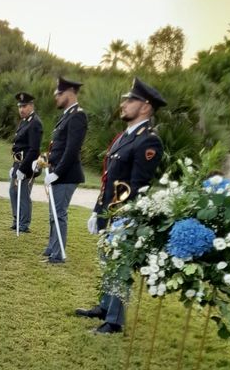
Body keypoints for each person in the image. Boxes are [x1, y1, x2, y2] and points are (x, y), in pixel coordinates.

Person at [76, 77, 166, 334]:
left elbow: (137, 186)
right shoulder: (123, 137)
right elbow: (108, 179)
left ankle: (114, 322)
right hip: (109, 212)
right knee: (107, 262)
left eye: (130, 100)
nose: (123, 104)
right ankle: (105, 307)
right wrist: (97, 210)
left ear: (146, 107)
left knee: (119, 267)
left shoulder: (148, 140)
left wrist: (121, 218)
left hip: (125, 216)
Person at [41, 76, 88, 265]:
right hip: (60, 171)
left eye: (59, 94)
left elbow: (71, 150)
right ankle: (53, 246)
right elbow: (59, 147)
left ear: (69, 93)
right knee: (54, 212)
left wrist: (57, 172)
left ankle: (58, 253)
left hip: (67, 175)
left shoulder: (78, 116)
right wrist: (47, 160)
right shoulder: (68, 115)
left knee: (59, 213)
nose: (56, 97)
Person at [9, 92, 43, 233]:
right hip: (18, 162)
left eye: (24, 106)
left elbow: (34, 150)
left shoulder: (35, 123)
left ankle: (24, 224)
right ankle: (17, 219)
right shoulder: (24, 121)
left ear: (31, 106)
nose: (21, 109)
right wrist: (14, 166)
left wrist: (22, 169)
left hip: (28, 164)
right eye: (19, 106)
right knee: (13, 192)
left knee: (23, 194)